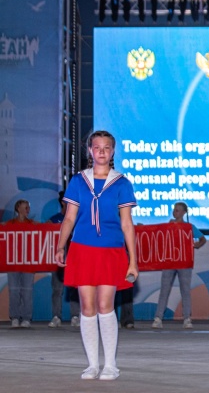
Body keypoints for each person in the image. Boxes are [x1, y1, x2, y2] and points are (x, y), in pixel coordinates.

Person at [54, 130, 138, 381]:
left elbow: (127, 224)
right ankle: (92, 365)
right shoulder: (78, 181)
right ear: (90, 151)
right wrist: (60, 246)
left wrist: (133, 260)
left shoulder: (122, 183)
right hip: (82, 249)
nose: (102, 152)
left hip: (111, 251)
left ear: (113, 152)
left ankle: (110, 365)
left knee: (105, 305)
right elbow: (69, 218)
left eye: (106, 148)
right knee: (87, 307)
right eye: (97, 147)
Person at [152, 202, 207, 329]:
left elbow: (202, 239)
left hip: (184, 262)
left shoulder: (189, 227)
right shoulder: (168, 226)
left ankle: (187, 318)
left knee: (185, 291)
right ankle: (158, 318)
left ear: (183, 212)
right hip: (169, 261)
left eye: (177, 210)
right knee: (164, 290)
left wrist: (197, 245)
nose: (174, 212)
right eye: (174, 210)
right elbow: (156, 235)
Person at [47, 190, 81, 328]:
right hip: (59, 260)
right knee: (57, 289)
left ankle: (75, 316)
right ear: (63, 202)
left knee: (74, 288)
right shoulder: (53, 220)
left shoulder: (78, 220)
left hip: (75, 259)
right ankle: (56, 316)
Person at [5, 199, 36, 328]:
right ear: (18, 208)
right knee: (14, 291)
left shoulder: (33, 224)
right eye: (25, 207)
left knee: (27, 292)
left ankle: (26, 318)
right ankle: (15, 317)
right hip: (13, 263)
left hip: (28, 263)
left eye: (28, 208)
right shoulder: (9, 224)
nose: (28, 210)